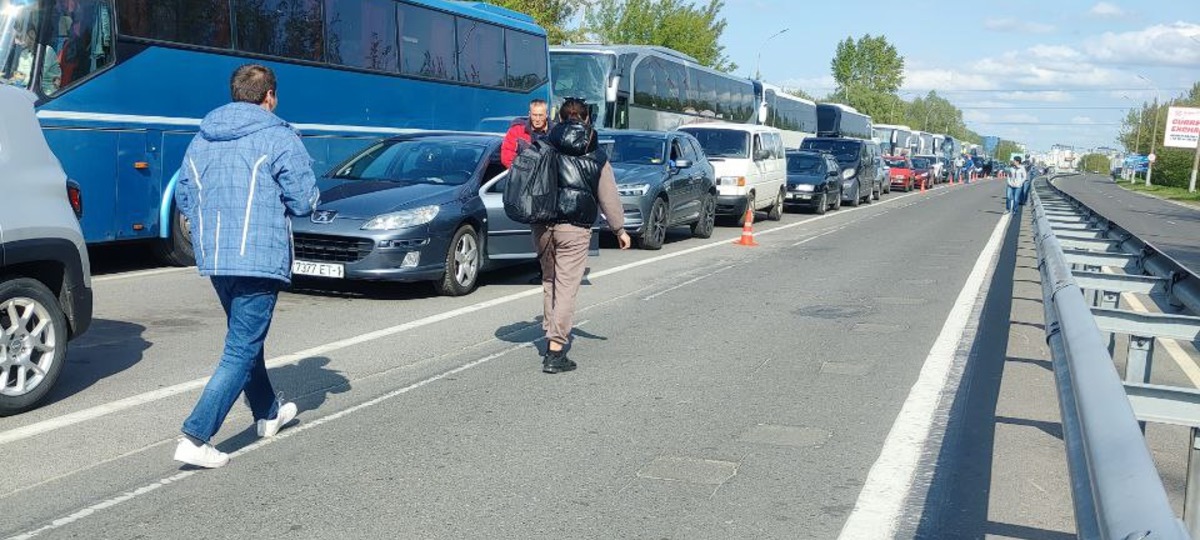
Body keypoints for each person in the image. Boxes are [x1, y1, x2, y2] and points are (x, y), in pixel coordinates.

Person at [172, 64, 321, 469]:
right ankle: (195, 435)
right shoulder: (278, 135)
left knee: (244, 340)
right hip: (258, 255)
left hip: (216, 256)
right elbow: (305, 200)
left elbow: (184, 197)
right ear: (268, 95)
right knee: (241, 347)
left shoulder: (201, 138)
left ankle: (268, 413)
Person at [537, 97, 632, 374]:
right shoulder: (596, 154)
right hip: (575, 227)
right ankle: (555, 350)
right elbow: (609, 196)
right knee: (567, 286)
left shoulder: (546, 145)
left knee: (549, 280)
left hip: (543, 224)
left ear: (560, 118)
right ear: (588, 119)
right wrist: (620, 230)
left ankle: (549, 330)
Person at [7, 29, 61, 95]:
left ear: (32, 33)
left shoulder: (47, 51)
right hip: (26, 88)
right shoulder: (24, 53)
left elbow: (38, 75)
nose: (16, 42)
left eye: (19, 37)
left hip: (46, 92)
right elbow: (20, 74)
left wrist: (18, 80)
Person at [501, 99, 552, 168]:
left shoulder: (555, 132)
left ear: (546, 115)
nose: (537, 119)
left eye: (540, 115)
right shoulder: (517, 131)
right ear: (529, 114)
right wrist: (525, 169)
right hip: (523, 174)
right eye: (534, 115)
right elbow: (507, 156)